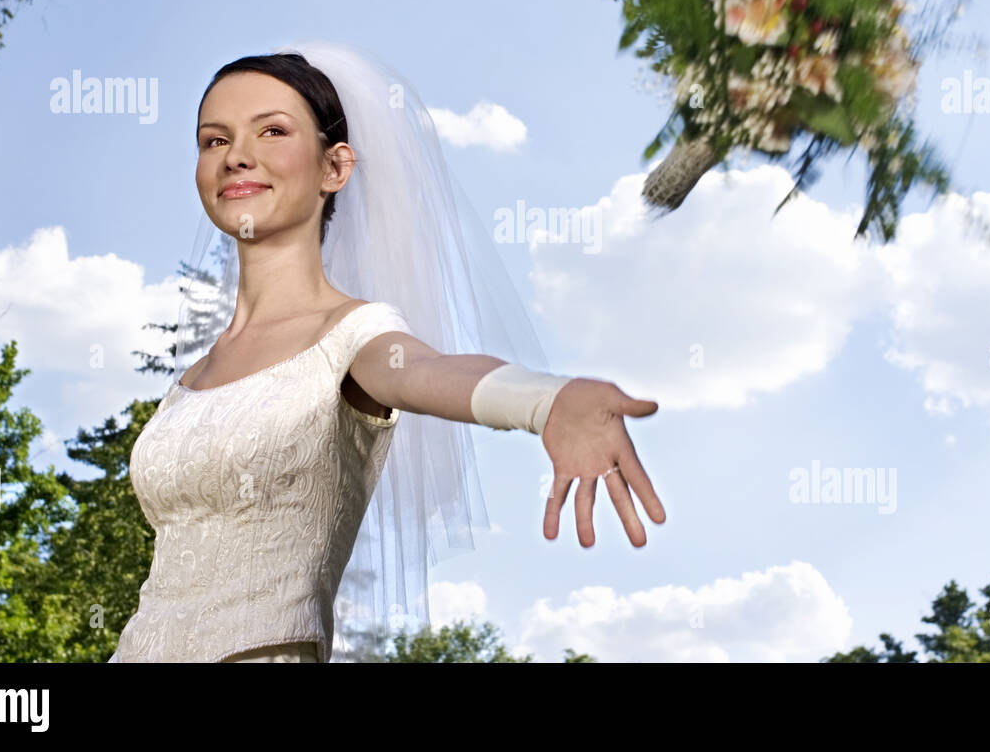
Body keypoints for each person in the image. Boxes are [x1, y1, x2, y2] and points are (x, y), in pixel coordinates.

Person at [107, 42, 665, 662]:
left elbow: (427, 370)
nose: (237, 155)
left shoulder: (356, 336)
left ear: (334, 168)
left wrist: (547, 399)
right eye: (214, 140)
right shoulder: (193, 377)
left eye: (272, 131)